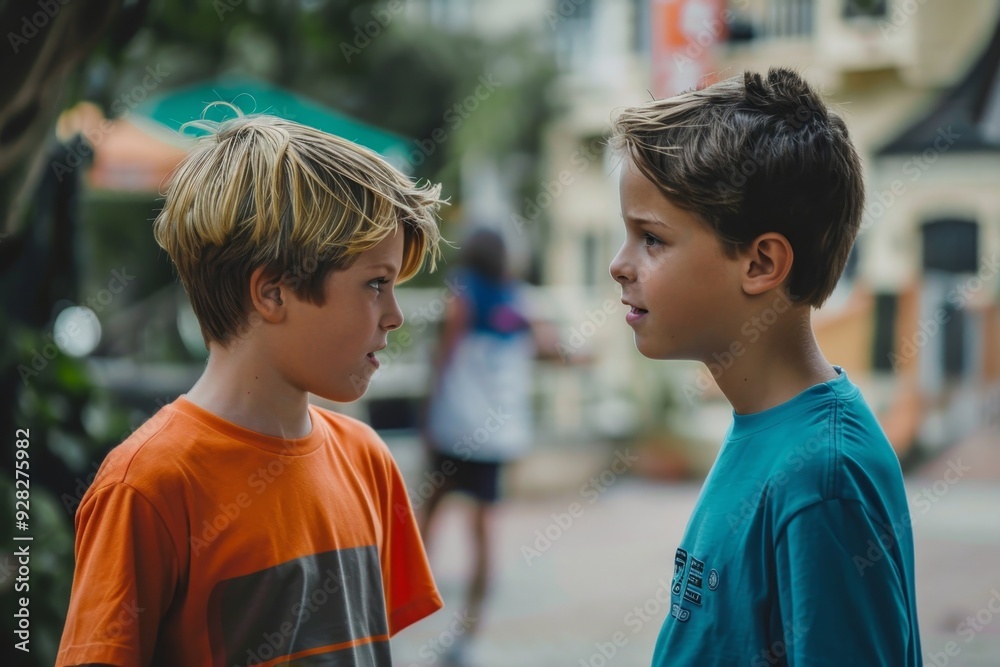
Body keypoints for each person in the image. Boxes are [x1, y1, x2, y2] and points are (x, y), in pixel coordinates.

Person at [57, 111, 445, 666]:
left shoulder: (368, 462)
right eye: (375, 284)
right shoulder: (147, 487)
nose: (395, 316)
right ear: (273, 293)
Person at [609, 68, 921, 665]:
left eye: (651, 238)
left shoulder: (823, 479)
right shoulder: (766, 425)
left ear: (761, 263)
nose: (620, 265)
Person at [417, 228, 551, 666]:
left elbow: (445, 356)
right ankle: (467, 635)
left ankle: (395, 609)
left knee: (423, 522)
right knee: (483, 535)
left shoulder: (462, 293)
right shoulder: (517, 300)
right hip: (495, 438)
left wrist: (427, 414)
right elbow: (544, 344)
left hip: (454, 429)